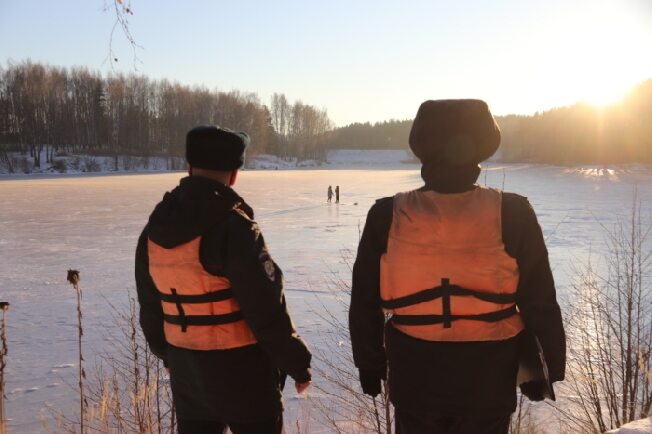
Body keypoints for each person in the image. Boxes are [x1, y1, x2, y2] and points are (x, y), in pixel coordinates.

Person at [349, 100, 566, 434]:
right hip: (489, 378)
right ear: (483, 146)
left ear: (421, 147)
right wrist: (545, 368)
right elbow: (540, 300)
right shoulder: (513, 213)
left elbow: (364, 301)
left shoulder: (386, 216)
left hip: (415, 378)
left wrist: (369, 363)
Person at [135, 125, 312, 434]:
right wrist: (296, 362)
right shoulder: (236, 228)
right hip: (244, 375)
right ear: (234, 175)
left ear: (189, 167)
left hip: (188, 376)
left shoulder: (153, 231)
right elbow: (265, 308)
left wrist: (169, 355)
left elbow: (151, 307)